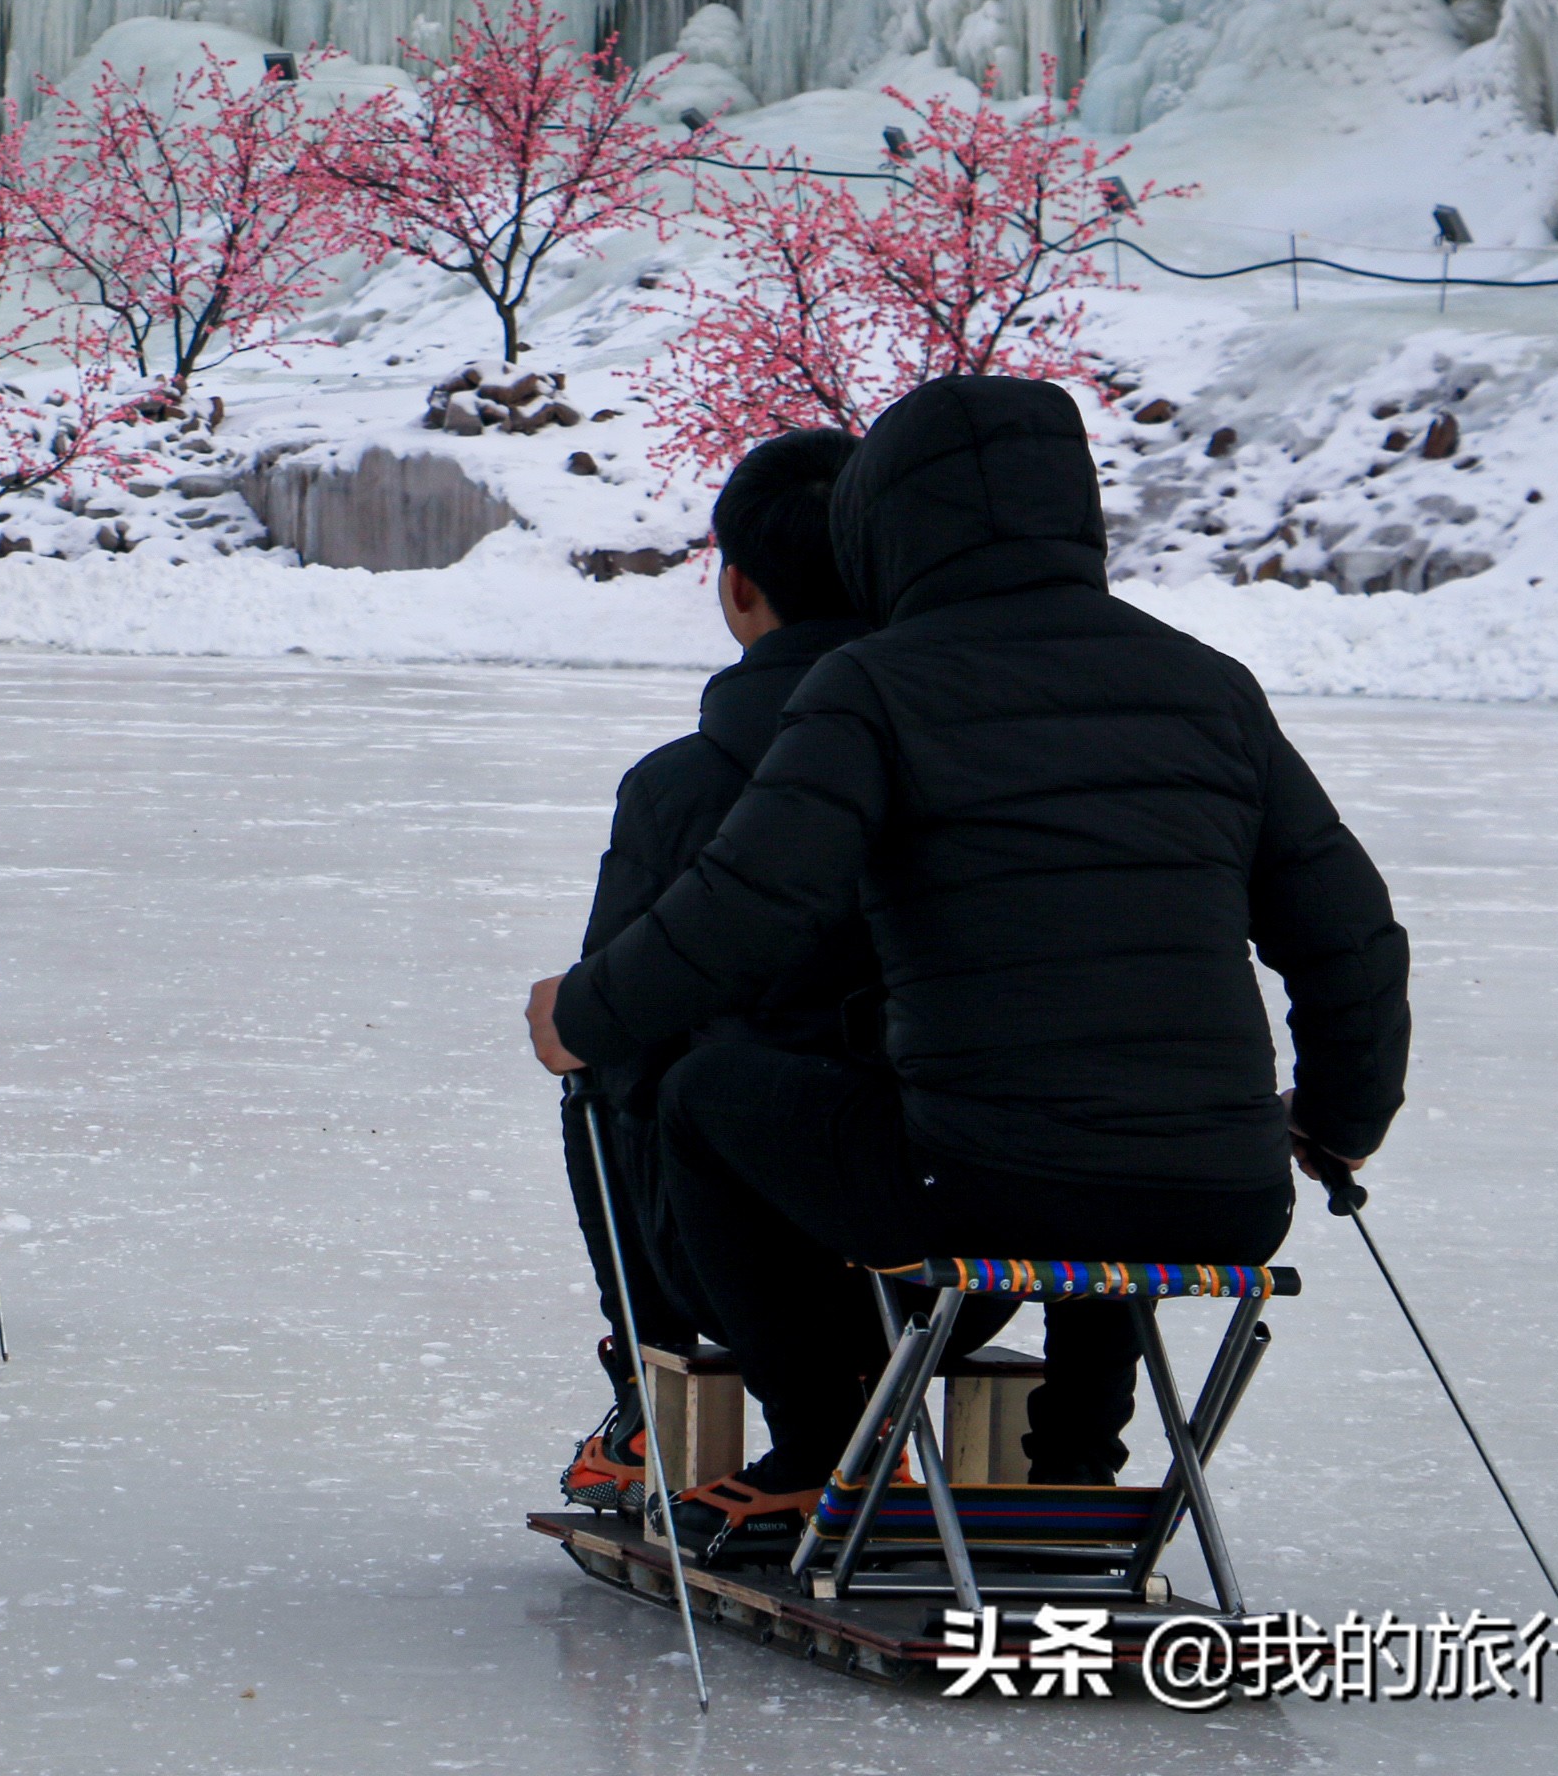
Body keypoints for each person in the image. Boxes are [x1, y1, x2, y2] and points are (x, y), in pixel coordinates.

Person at [532, 375, 1411, 1560]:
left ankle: (819, 1448)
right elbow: (1349, 936)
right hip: (1233, 1195)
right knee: (1115, 1081)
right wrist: (1340, 1119)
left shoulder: (882, 684)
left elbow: (754, 900)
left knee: (706, 1094)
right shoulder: (1211, 689)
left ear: (893, 525)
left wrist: (580, 1015)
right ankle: (1078, 1459)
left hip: (978, 1183)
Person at [550, 429, 891, 1510]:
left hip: (735, 1256)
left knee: (590, 1047)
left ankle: (646, 1379)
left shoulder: (679, 788)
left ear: (737, 584)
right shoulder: (974, 762)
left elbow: (612, 1030)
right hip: (970, 1226)